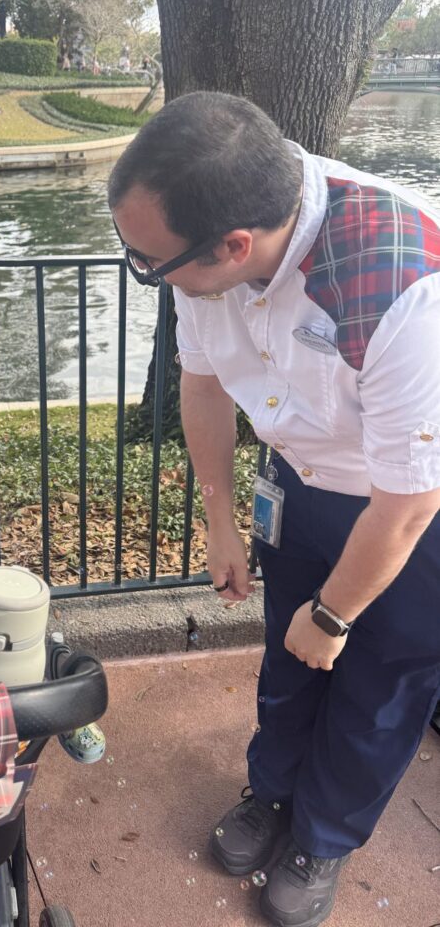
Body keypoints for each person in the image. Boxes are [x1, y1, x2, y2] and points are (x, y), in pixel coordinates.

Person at [108, 91, 440, 927]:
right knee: (283, 658)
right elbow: (204, 381)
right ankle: (273, 789)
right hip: (298, 477)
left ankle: (323, 834)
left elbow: (407, 503)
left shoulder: (400, 283)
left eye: (148, 262)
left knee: (378, 683)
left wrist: (334, 613)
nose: (143, 273)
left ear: (233, 245)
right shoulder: (209, 243)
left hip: (409, 506)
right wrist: (220, 518)